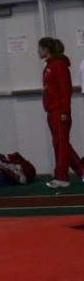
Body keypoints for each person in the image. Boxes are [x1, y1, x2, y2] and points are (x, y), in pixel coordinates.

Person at [39, 36, 84, 188]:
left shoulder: (59, 66)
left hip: (59, 111)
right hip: (52, 110)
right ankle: (82, 171)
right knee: (61, 144)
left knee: (61, 145)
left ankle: (62, 177)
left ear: (46, 49)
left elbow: (66, 90)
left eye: (40, 48)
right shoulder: (49, 66)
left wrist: (65, 111)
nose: (38, 51)